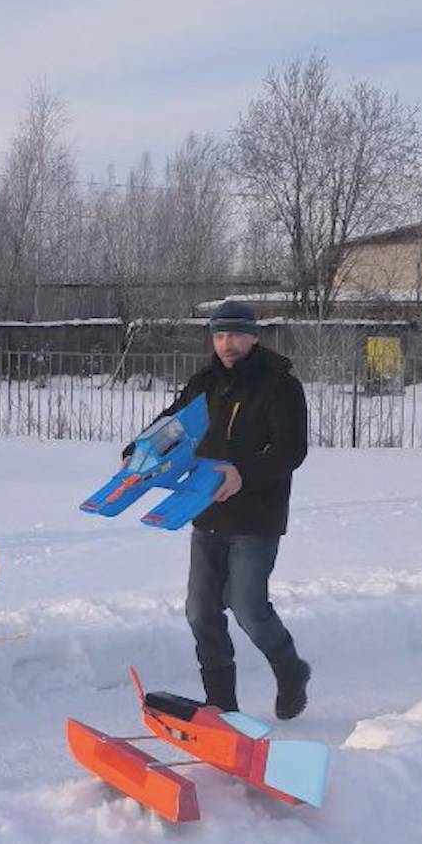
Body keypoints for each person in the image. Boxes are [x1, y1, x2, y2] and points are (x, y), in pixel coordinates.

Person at [124, 301, 312, 719]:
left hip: (256, 516)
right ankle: (222, 707)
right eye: (219, 335)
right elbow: (170, 425)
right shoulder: (204, 383)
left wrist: (243, 474)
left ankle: (290, 669)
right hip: (206, 511)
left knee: (248, 608)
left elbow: (290, 450)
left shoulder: (280, 385)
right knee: (200, 611)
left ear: (254, 336)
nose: (227, 344)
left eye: (236, 335)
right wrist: (136, 452)